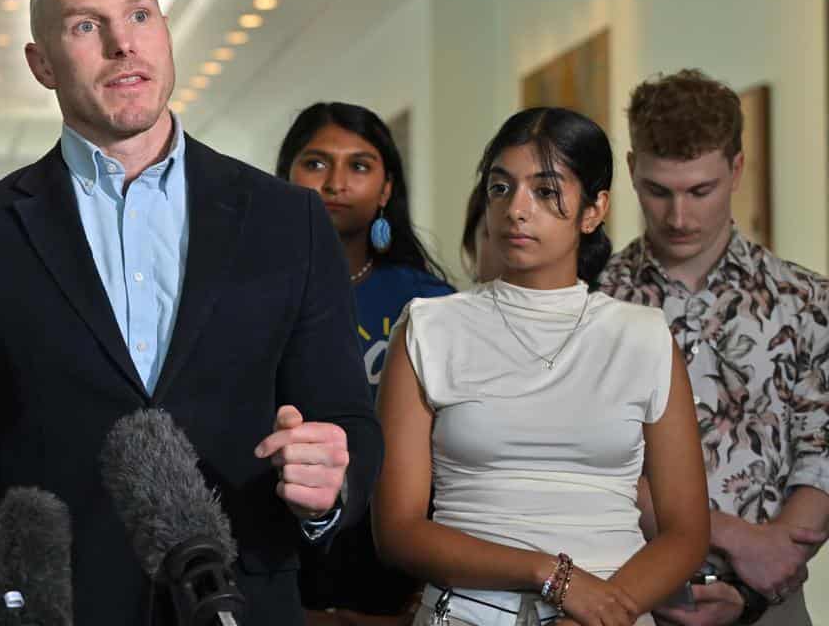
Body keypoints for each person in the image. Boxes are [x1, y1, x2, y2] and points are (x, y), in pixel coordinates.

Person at [0, 0, 383, 624]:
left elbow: (347, 423)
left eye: (140, 15)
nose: (121, 45)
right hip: (52, 605)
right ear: (41, 63)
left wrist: (330, 484)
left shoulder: (289, 220)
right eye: (84, 26)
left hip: (240, 598)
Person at [374, 107, 709, 626]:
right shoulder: (428, 329)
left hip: (613, 611)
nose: (517, 210)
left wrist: (602, 611)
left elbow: (687, 531)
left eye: (546, 191)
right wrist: (551, 575)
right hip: (467, 612)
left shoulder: (643, 337)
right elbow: (397, 530)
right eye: (501, 188)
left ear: (594, 209)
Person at [599, 69, 829, 626]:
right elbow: (588, 459)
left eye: (700, 191)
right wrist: (735, 539)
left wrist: (766, 569)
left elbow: (821, 455)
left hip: (773, 599)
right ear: (631, 170)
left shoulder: (807, 300)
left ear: (737, 168)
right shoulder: (591, 302)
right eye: (658, 191)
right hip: (622, 591)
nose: (679, 217)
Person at [276, 101, 453, 624]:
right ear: (285, 175)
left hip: (398, 543)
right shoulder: (245, 290)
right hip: (278, 534)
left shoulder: (430, 304)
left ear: (386, 189)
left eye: (358, 165)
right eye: (315, 163)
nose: (335, 182)